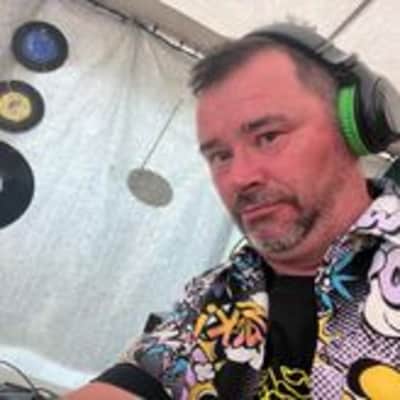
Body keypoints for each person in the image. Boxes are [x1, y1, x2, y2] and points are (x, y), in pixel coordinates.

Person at [65, 23, 400, 399]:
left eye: (268, 137)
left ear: (351, 126)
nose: (239, 177)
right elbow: (140, 379)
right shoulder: (218, 292)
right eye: (220, 156)